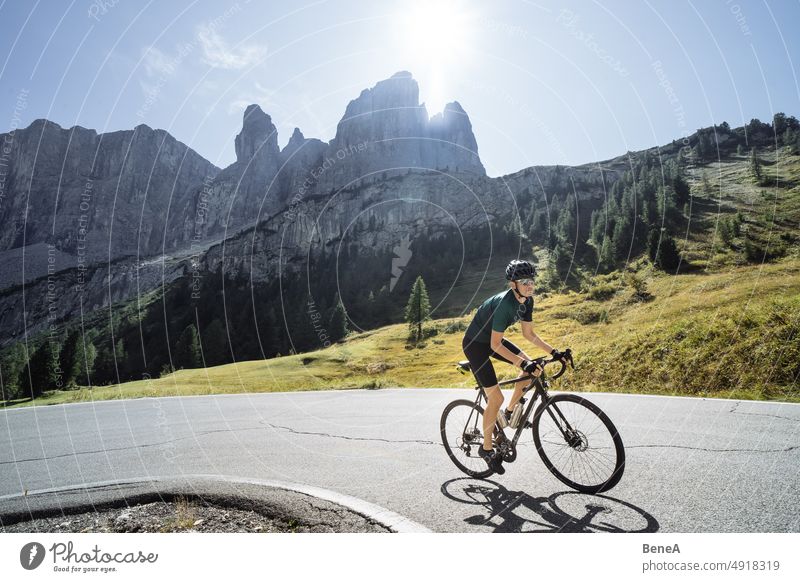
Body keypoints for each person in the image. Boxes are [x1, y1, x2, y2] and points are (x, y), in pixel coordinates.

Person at [461, 259, 566, 473]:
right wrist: (522, 362)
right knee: (496, 397)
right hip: (476, 345)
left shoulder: (528, 301)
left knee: (534, 369)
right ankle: (486, 448)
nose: (529, 285)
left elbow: (529, 334)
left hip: (491, 340)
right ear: (513, 284)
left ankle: (509, 413)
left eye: (531, 281)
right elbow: (495, 345)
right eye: (524, 281)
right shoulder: (504, 304)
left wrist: (554, 352)